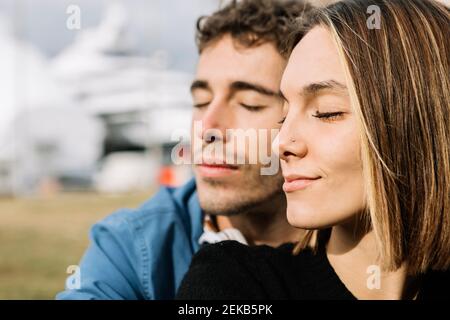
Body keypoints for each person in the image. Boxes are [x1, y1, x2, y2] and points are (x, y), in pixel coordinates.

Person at [176, 0, 450, 300]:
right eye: (284, 115)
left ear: (423, 123)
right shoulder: (232, 284)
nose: (281, 142)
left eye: (326, 112)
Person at [56, 0, 312, 300]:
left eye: (249, 104)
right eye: (201, 101)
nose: (208, 127)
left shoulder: (366, 242)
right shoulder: (130, 246)